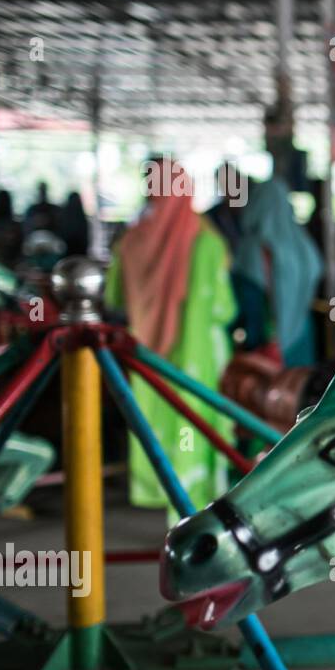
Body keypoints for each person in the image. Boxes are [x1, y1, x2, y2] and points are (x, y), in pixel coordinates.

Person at [105, 157, 237, 519]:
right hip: (199, 358)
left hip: (146, 355)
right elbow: (224, 308)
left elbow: (114, 298)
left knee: (157, 421)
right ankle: (196, 505)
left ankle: (164, 492)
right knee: (194, 421)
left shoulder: (131, 241)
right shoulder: (207, 242)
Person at [231, 174, 324, 367]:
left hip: (265, 338)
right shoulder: (303, 244)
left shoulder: (253, 246)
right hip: (302, 335)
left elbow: (245, 298)